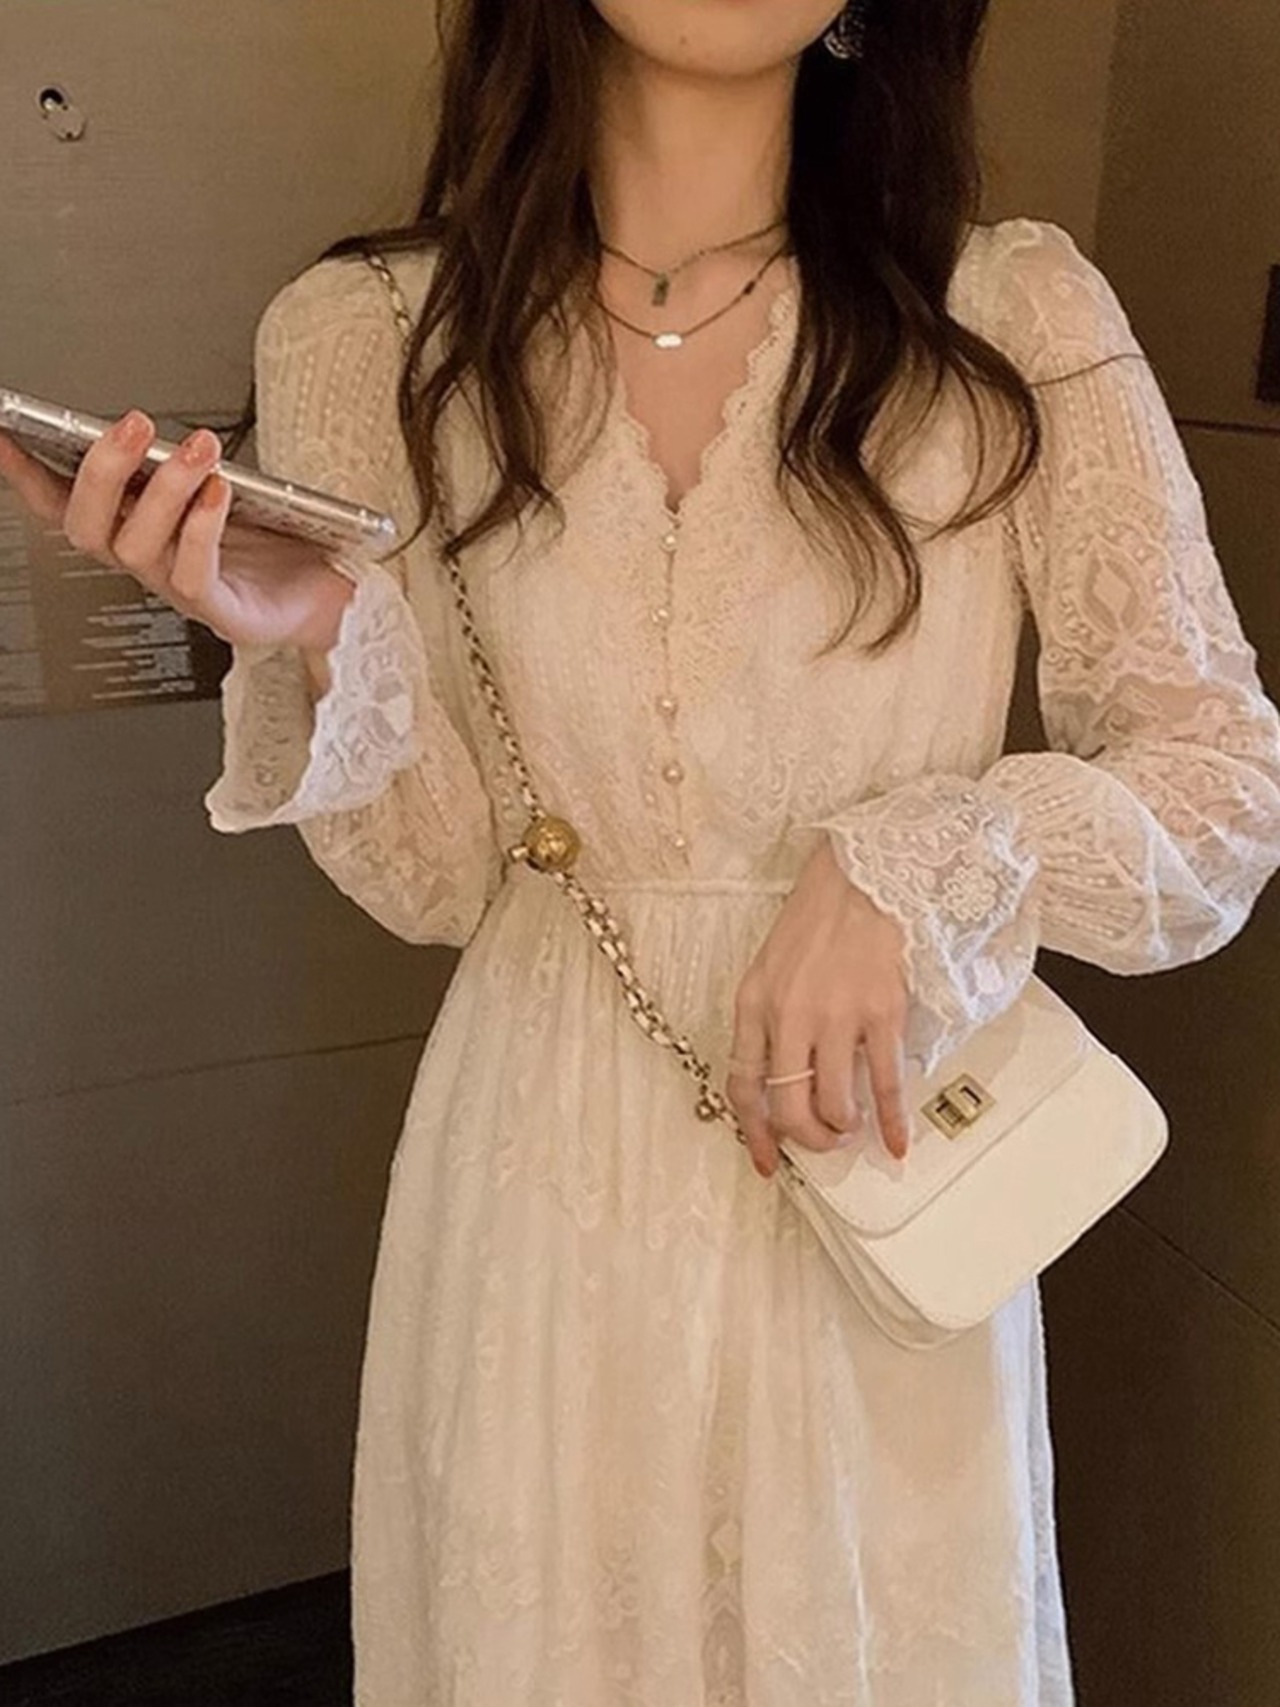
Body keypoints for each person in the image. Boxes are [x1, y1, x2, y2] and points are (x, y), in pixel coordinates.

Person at [5, 1, 1280, 1701]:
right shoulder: (367, 335)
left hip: (871, 1183)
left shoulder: (1011, 313)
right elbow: (446, 883)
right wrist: (319, 643)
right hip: (541, 1178)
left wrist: (931, 854)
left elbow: (1220, 787)